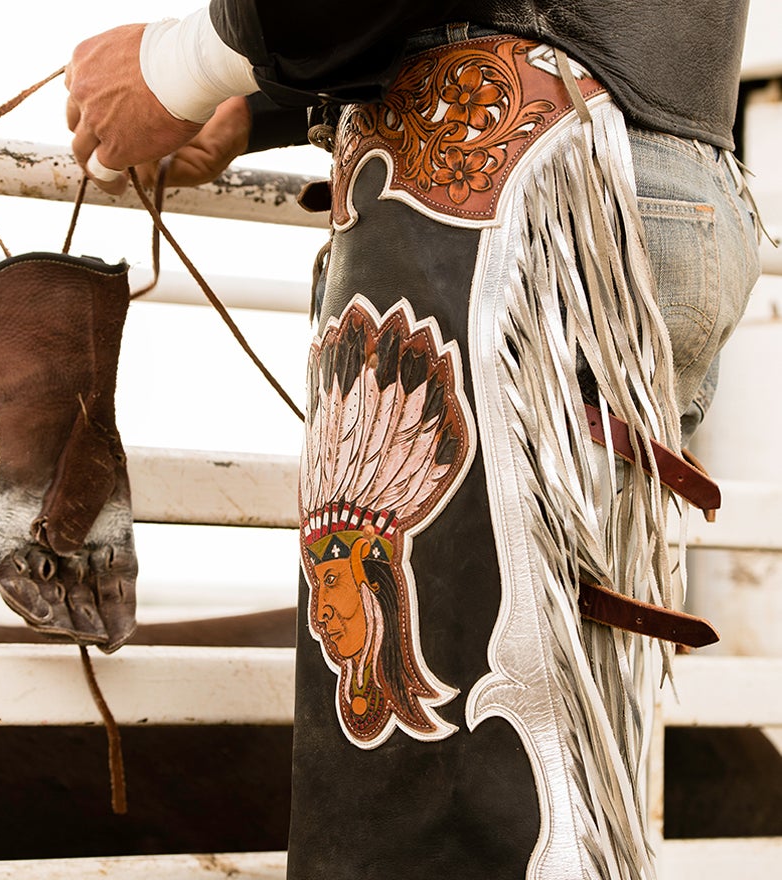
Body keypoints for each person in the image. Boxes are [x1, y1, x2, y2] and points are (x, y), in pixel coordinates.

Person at [65, 4, 762, 878]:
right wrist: (258, 104)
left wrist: (188, 62)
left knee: (432, 814)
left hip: (513, 196)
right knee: (538, 776)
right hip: (653, 177)